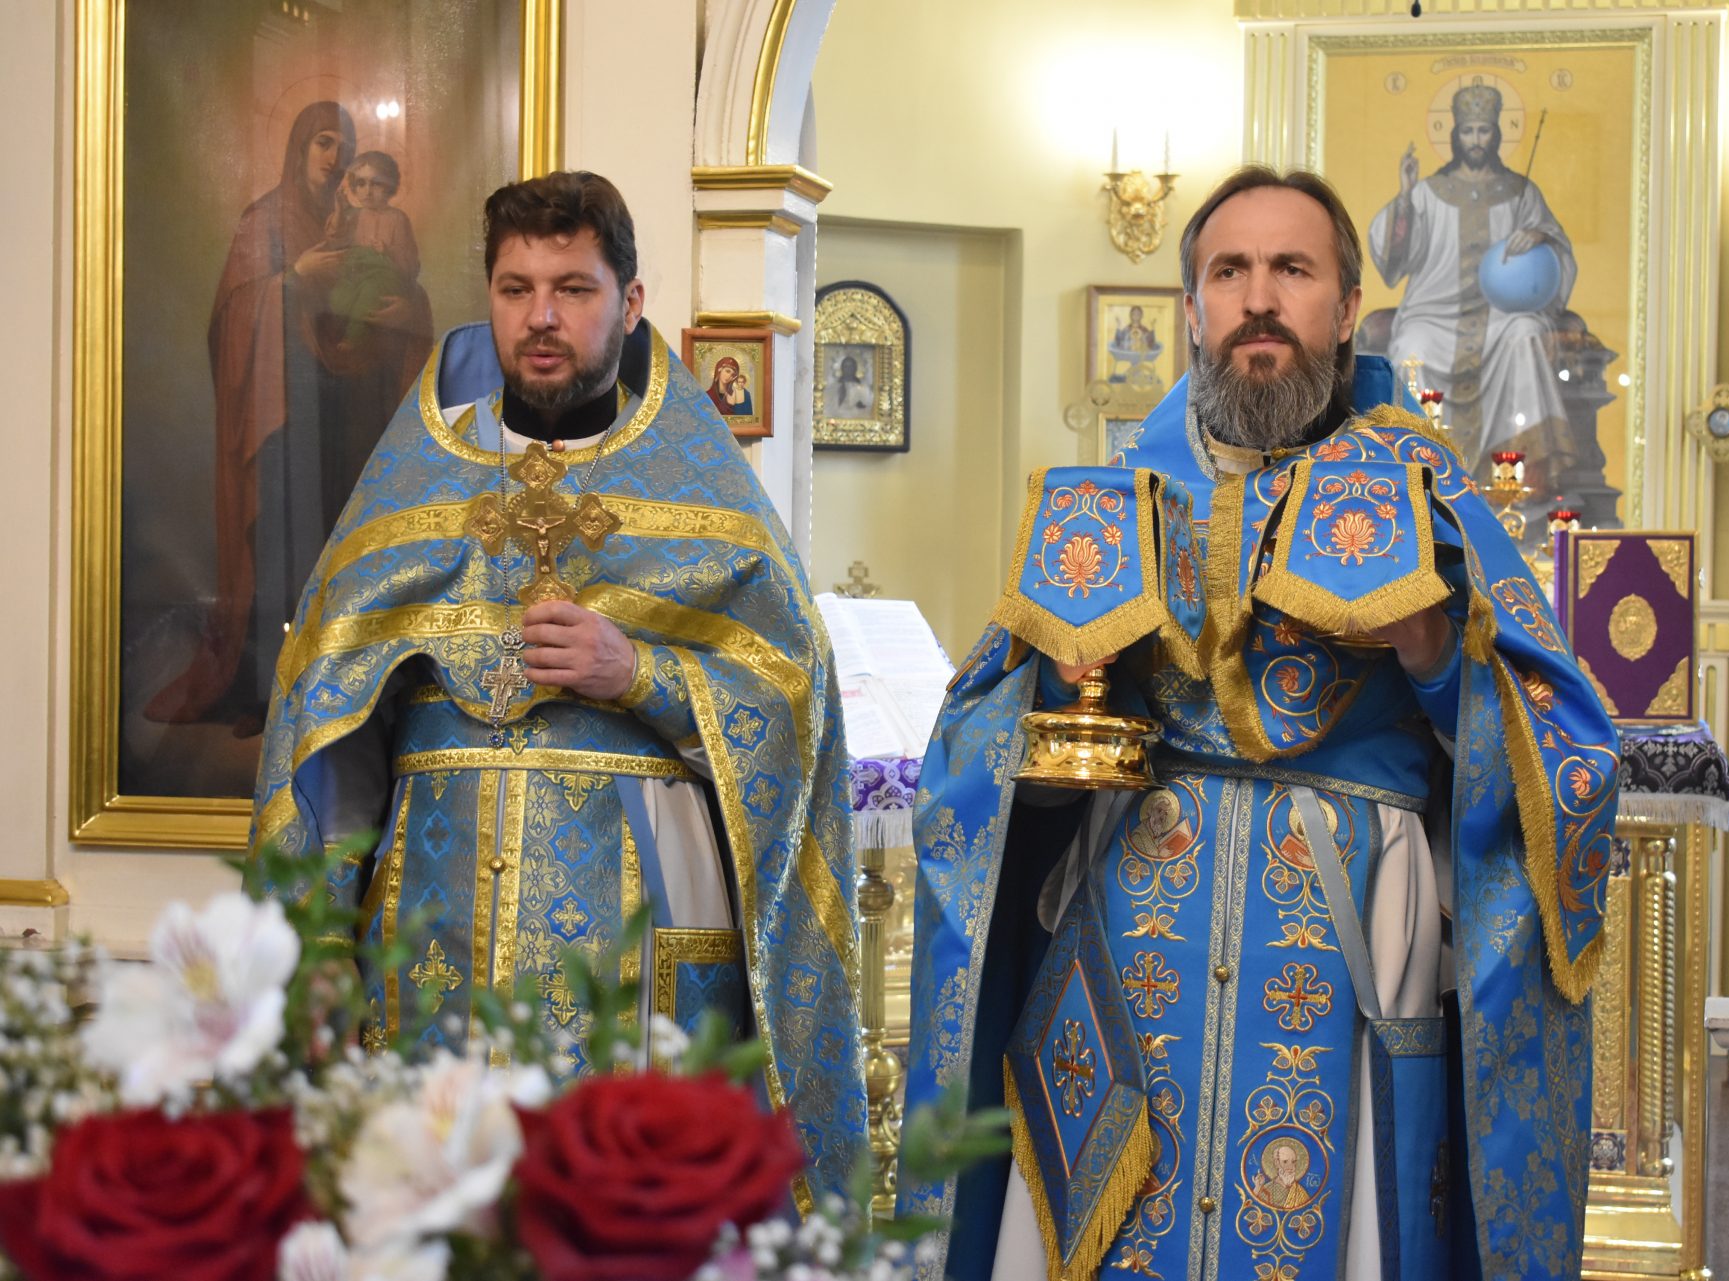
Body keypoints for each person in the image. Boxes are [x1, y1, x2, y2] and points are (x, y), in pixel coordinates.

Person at [904, 165, 1619, 1281]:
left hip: (1345, 928)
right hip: (1132, 931)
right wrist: (1053, 708)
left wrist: (1432, 651)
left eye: (1293, 269)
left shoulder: (1423, 492)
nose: (1259, 299)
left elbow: (1563, 752)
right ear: (1192, 309)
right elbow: (976, 768)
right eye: (1229, 272)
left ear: (1348, 307)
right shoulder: (1118, 494)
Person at [250, 171, 864, 1202]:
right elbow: (330, 730)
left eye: (573, 289)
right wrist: (315, 939)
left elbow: (791, 705)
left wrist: (643, 672)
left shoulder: (705, 494)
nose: (541, 317)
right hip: (431, 940)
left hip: (634, 942)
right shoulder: (413, 484)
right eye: (516, 288)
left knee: (622, 1224)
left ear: (630, 303)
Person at [146, 101, 433, 732]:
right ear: (300, 147)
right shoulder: (265, 220)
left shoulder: (359, 220)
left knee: (338, 545)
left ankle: (338, 695)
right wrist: (292, 278)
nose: (334, 158)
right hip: (283, 416)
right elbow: (232, 314)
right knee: (280, 549)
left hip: (348, 417)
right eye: (323, 143)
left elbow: (398, 286)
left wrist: (403, 312)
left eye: (343, 147)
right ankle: (265, 693)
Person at [1367, 82, 1578, 487]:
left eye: (1483, 130)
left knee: (1525, 334)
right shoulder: (1429, 193)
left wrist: (1540, 238)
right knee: (1411, 347)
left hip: (1501, 316)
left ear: (1496, 133)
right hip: (1435, 313)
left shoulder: (1521, 193)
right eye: (1468, 131)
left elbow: (1557, 251)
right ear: (1455, 135)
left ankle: (1520, 477)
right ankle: (1414, 472)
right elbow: (1392, 256)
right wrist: (1406, 197)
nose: (1476, 140)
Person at [325, 150, 422, 351]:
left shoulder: (397, 218)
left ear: (389, 187)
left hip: (383, 276)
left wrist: (388, 250)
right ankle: (338, 335)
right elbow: (335, 238)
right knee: (338, 299)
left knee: (368, 296)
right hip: (356, 274)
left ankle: (353, 338)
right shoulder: (355, 216)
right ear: (353, 187)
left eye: (376, 183)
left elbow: (411, 263)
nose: (367, 191)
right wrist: (339, 210)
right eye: (361, 183)